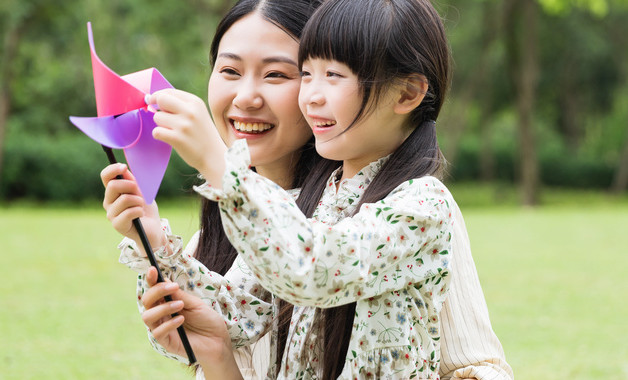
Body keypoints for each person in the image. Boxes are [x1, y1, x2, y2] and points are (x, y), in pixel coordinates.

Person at [139, 0, 513, 378]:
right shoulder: (311, 204)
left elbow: (313, 267)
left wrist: (219, 165)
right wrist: (150, 238)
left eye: (333, 75)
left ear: (407, 94)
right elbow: (237, 313)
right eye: (306, 74)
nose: (312, 96)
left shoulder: (422, 207)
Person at [101, 0, 325, 378]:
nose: (245, 97)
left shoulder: (363, 221)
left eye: (275, 75)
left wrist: (216, 161)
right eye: (229, 71)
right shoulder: (207, 242)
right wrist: (151, 241)